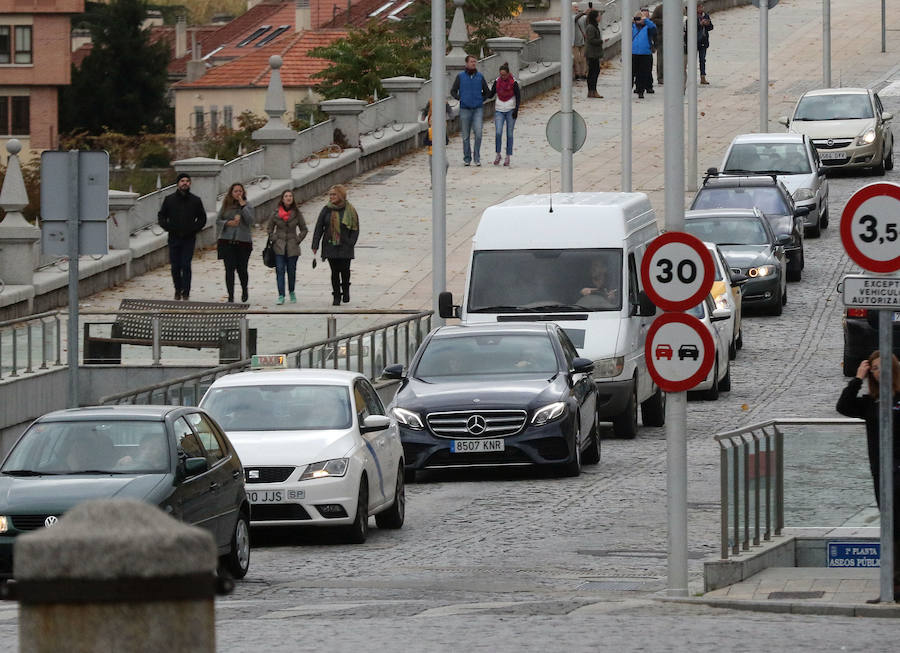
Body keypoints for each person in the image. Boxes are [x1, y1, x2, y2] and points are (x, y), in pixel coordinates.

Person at [836, 351, 900, 601]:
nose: (877, 372)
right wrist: (857, 379)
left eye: (882, 367)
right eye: (873, 368)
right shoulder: (871, 401)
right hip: (881, 473)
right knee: (890, 527)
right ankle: (892, 586)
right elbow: (843, 406)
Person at [158, 172, 207, 301]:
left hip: (189, 238)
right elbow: (161, 216)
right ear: (178, 183)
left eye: (187, 181)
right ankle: (177, 290)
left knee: (186, 265)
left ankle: (186, 291)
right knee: (175, 266)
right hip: (174, 237)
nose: (185, 183)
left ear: (190, 183)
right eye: (182, 181)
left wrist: (194, 229)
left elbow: (202, 218)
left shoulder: (195, 200)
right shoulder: (169, 200)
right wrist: (168, 227)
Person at [312, 185, 359, 306]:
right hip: (330, 245)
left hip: (345, 245)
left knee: (345, 270)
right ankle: (336, 295)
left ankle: (346, 290)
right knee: (334, 271)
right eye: (330, 195)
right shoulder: (326, 209)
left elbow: (355, 229)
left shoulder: (350, 210)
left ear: (341, 195)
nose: (331, 197)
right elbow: (319, 227)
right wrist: (315, 244)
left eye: (334, 194)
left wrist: (351, 242)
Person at [266, 190, 308, 305]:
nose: (288, 198)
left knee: (291, 271)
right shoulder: (275, 213)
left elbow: (304, 229)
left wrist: (297, 240)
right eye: (286, 196)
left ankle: (292, 291)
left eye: (290, 196)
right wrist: (274, 238)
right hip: (279, 246)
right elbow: (269, 229)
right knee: (280, 271)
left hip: (292, 246)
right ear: (282, 199)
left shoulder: (297, 213)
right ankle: (281, 295)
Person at [450, 54, 490, 167]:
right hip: (464, 109)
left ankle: (477, 157)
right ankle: (467, 158)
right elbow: (453, 91)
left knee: (478, 133)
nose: (473, 63)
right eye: (471, 61)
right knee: (465, 136)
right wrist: (460, 98)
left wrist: (480, 99)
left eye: (475, 61)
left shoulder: (480, 77)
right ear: (466, 63)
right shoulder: (460, 76)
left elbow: (487, 92)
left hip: (477, 109)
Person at [216, 183, 253, 303]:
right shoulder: (226, 205)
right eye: (235, 191)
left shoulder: (247, 205)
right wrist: (227, 223)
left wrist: (243, 207)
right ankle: (230, 295)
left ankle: (244, 289)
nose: (238, 193)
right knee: (229, 269)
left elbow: (250, 220)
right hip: (227, 241)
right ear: (231, 193)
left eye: (240, 191)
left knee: (242, 269)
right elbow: (218, 220)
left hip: (243, 242)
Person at [489, 62, 521, 167]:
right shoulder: (497, 82)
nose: (502, 77)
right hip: (499, 109)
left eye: (504, 75)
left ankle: (508, 155)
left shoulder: (513, 82)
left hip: (510, 109)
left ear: (508, 74)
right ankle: (498, 154)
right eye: (501, 75)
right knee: (498, 132)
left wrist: (516, 110)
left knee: (509, 134)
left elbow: (518, 96)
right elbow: (491, 93)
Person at [632, 11, 656, 99]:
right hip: (633, 53)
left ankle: (641, 90)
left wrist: (646, 20)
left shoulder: (647, 27)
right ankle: (634, 88)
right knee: (632, 73)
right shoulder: (632, 27)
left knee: (643, 73)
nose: (639, 21)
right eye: (637, 18)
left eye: (640, 19)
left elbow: (654, 28)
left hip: (645, 53)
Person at [584, 9, 604, 99]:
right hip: (592, 53)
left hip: (594, 52)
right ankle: (592, 91)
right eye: (599, 16)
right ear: (595, 17)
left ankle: (592, 91)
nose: (600, 17)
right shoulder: (591, 27)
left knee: (594, 71)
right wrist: (601, 41)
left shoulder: (594, 26)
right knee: (593, 72)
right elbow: (591, 40)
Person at [696, 4, 714, 85]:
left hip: (703, 41)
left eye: (702, 7)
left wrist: (708, 24)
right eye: (699, 7)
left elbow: (711, 27)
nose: (701, 9)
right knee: (691, 60)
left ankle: (703, 77)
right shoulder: (692, 16)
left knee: (702, 59)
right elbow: (689, 27)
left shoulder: (706, 15)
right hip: (694, 41)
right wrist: (700, 24)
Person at [640, 6, 657, 94]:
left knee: (648, 69)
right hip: (637, 51)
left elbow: (654, 31)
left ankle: (649, 86)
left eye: (646, 15)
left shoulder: (650, 24)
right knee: (638, 70)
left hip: (647, 50)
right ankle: (639, 86)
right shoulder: (635, 25)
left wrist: (646, 20)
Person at [572, 2, 589, 81]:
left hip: (583, 41)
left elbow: (587, 21)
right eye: (575, 7)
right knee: (576, 58)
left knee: (583, 58)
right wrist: (583, 13)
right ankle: (577, 74)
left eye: (577, 7)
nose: (576, 8)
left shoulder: (583, 17)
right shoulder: (570, 16)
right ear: (571, 8)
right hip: (574, 42)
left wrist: (589, 14)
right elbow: (575, 19)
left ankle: (584, 74)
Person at [651, 4, 664, 86]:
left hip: (675, 38)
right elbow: (653, 20)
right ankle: (661, 77)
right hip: (661, 38)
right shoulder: (659, 8)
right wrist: (663, 21)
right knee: (661, 59)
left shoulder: (678, 7)